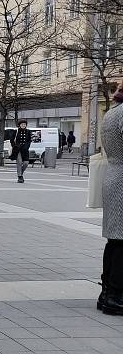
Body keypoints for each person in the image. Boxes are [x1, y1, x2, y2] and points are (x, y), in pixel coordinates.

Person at [99, 82, 123, 317]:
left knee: (116, 240)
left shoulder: (112, 112)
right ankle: (115, 296)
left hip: (114, 175)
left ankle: (107, 293)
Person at [10, 119, 32, 183]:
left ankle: (20, 173)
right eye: (22, 124)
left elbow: (29, 140)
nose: (23, 125)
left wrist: (27, 146)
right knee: (19, 162)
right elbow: (11, 140)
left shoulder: (28, 131)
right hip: (18, 149)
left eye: (24, 124)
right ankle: (20, 177)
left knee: (26, 163)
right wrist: (15, 146)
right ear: (19, 125)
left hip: (25, 150)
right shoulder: (16, 131)